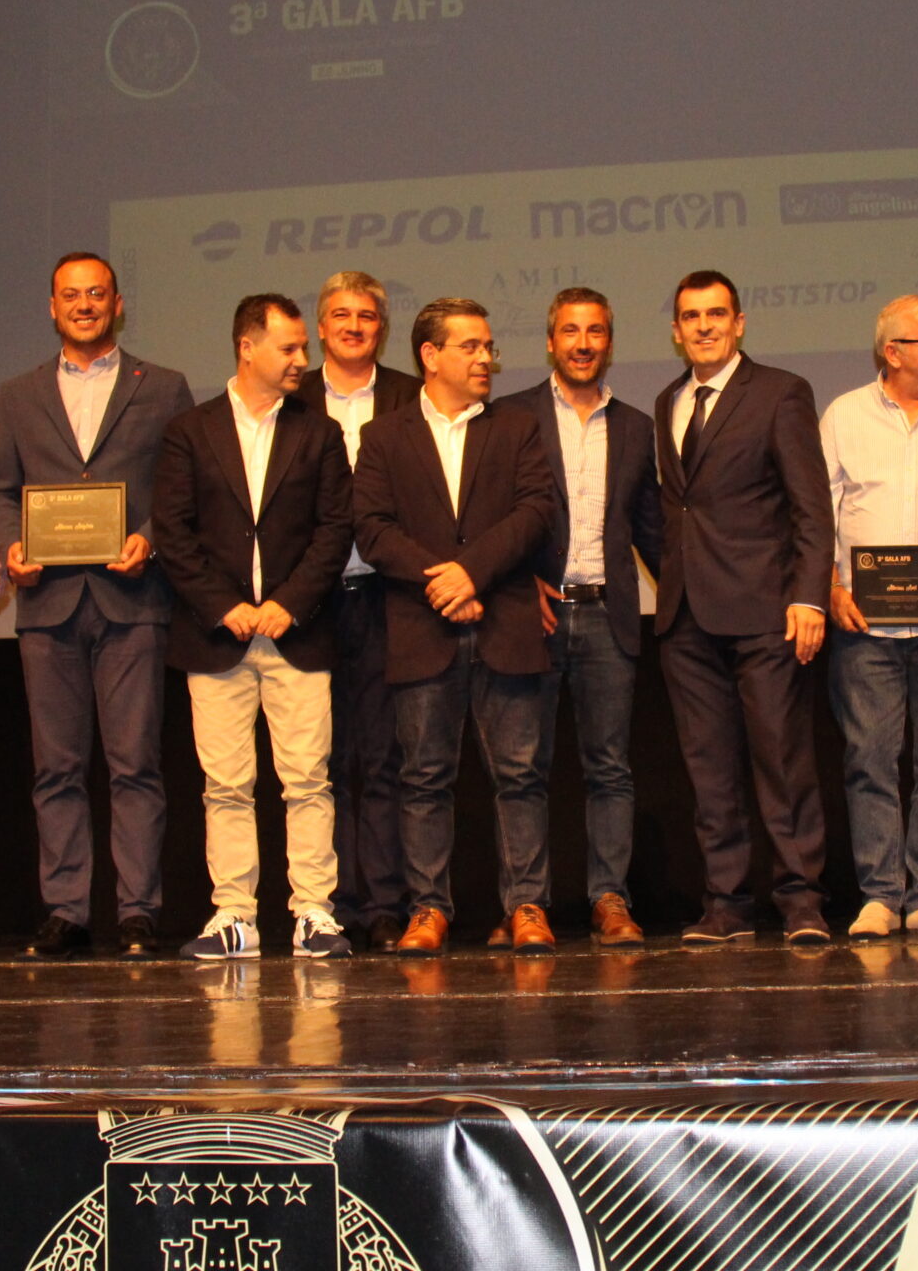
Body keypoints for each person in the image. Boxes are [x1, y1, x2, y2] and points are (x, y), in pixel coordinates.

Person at [0, 252, 194, 956]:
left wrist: (150, 538)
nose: (84, 303)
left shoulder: (161, 386)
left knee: (135, 764)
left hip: (132, 598)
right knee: (57, 767)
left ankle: (137, 911)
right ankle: (66, 909)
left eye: (96, 293)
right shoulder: (18, 393)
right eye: (70, 294)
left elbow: (186, 487)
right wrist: (10, 546)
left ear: (117, 303)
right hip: (48, 605)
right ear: (51, 306)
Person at [354, 298, 559, 952]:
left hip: (505, 619)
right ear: (430, 355)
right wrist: (441, 581)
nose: (485, 359)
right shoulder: (384, 436)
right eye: (470, 346)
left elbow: (535, 512)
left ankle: (526, 905)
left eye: (488, 346)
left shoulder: (518, 427)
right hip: (422, 624)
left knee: (521, 774)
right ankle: (429, 909)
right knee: (423, 777)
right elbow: (373, 527)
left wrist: (470, 573)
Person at [154, 293, 356, 959]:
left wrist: (290, 602)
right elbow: (174, 534)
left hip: (298, 634)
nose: (304, 359)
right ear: (248, 347)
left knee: (308, 779)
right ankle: (234, 917)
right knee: (226, 785)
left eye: (303, 347)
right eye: (291, 348)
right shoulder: (190, 430)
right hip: (218, 638)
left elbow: (334, 531)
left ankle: (313, 913)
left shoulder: (319, 430)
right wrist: (223, 604)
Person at [652, 269, 834, 944]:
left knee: (782, 762)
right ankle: (726, 903)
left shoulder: (781, 393)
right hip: (685, 619)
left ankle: (800, 901)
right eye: (691, 316)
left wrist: (809, 595)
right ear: (675, 330)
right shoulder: (669, 399)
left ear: (740, 322)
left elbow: (811, 508)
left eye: (716, 314)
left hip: (766, 610)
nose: (703, 326)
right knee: (708, 769)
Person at [495, 287, 663, 947]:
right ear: (550, 342)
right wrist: (513, 583)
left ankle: (609, 899)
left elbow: (650, 532)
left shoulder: (636, 427)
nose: (584, 342)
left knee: (610, 768)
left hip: (608, 615)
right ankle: (526, 904)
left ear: (609, 342)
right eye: (571, 330)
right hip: (531, 615)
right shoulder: (511, 417)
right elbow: (493, 520)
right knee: (521, 770)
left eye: (596, 330)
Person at [820, 294, 918, 939]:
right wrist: (830, 584)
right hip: (866, 623)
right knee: (870, 761)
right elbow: (821, 507)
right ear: (893, 351)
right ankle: (882, 895)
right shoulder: (844, 414)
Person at [305, 269, 421, 946]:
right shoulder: (289, 399)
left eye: (368, 316)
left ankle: (381, 905)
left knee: (382, 759)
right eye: (341, 315)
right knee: (318, 763)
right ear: (320, 327)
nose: (354, 325)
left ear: (382, 327)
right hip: (311, 604)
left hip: (388, 598)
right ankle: (328, 904)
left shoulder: (412, 395)